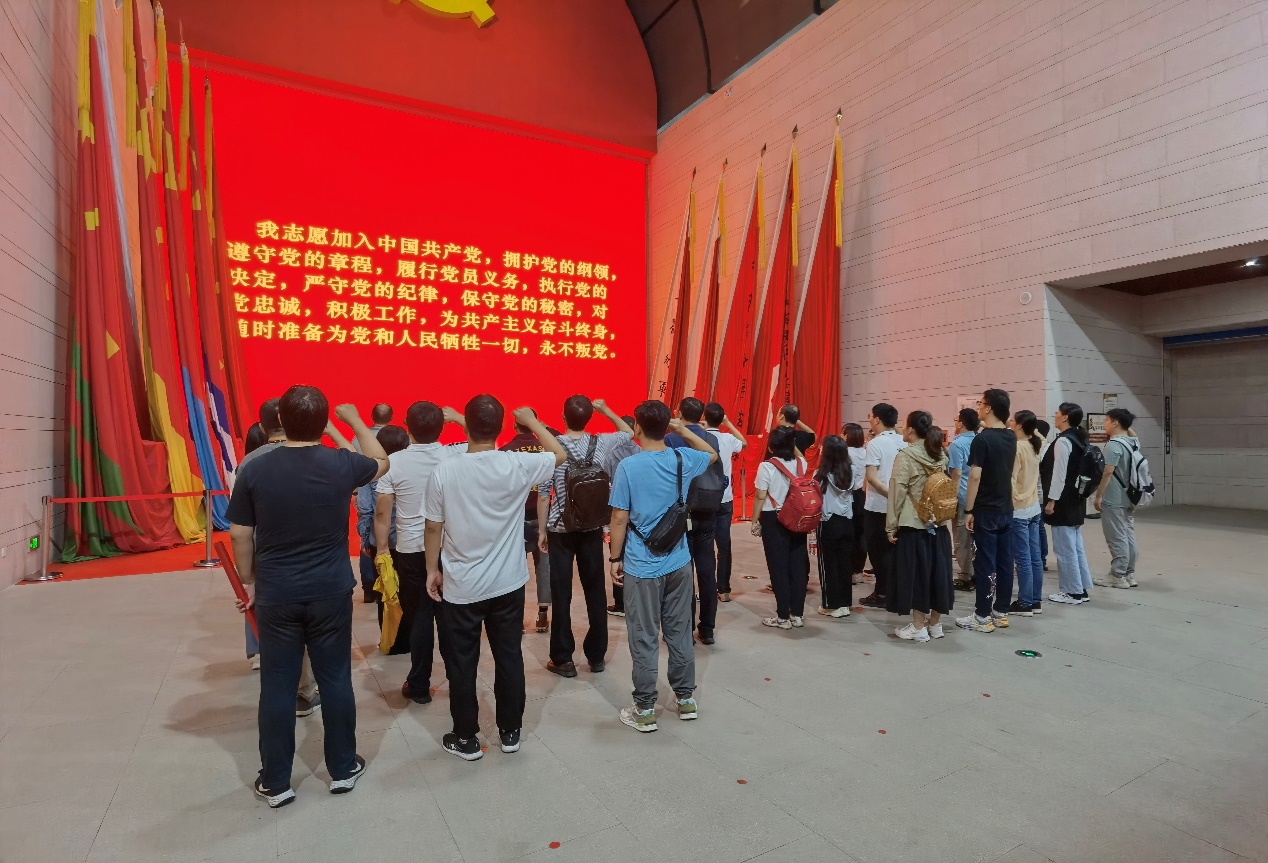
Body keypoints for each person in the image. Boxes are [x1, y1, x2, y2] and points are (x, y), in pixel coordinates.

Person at [228, 388, 388, 808]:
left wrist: (249, 581)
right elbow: (381, 460)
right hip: (330, 590)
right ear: (322, 422)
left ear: (279, 420)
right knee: (335, 679)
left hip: (277, 592)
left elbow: (240, 533)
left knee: (277, 685)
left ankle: (276, 781)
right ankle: (342, 769)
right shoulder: (341, 463)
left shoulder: (255, 468)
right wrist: (353, 422)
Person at [424, 397, 566, 760]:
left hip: (462, 585)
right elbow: (559, 454)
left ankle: (466, 737)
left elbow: (433, 527)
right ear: (502, 427)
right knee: (508, 655)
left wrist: (431, 569)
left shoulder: (445, 470)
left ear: (465, 426)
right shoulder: (516, 463)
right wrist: (532, 421)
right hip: (507, 582)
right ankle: (510, 731)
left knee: (461, 662)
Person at [607, 401, 716, 732]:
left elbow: (619, 516)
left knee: (644, 636)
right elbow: (711, 454)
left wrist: (615, 557)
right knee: (679, 632)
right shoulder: (683, 458)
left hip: (642, 564)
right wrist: (682, 430)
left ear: (637, 428)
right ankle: (685, 699)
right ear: (667, 426)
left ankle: (645, 708)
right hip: (679, 560)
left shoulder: (629, 466)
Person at [375, 402, 468, 704]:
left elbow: (382, 513)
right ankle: (459, 681)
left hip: (411, 550)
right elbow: (485, 441)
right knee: (450, 618)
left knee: (418, 618)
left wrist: (382, 549)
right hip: (449, 548)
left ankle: (418, 685)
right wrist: (460, 419)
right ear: (442, 427)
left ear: (406, 425)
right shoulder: (454, 454)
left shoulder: (394, 462)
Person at [541, 396, 634, 677]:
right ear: (590, 418)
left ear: (563, 417)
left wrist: (542, 530)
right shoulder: (602, 442)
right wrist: (606, 409)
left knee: (561, 594)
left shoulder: (553, 445)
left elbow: (544, 494)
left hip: (561, 530)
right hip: (592, 528)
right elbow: (628, 432)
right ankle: (596, 656)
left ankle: (563, 659)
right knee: (595, 592)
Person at [886, 411, 953, 641]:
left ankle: (918, 626)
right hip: (939, 523)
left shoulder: (906, 456)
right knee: (938, 574)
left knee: (917, 575)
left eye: (904, 425)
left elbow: (897, 493)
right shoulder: (940, 453)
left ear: (911, 430)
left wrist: (891, 526)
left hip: (914, 524)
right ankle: (935, 624)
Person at [956, 389, 1017, 634]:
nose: (979, 407)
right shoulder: (1011, 436)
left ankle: (982, 616)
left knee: (985, 563)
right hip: (1005, 507)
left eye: (981, 403)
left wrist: (969, 509)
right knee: (1004, 562)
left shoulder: (982, 439)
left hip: (986, 510)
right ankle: (1001, 612)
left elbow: (975, 476)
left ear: (989, 408)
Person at [664, 398, 722, 644]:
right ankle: (707, 629)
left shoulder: (672, 438)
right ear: (702, 416)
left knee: (683, 571)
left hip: (682, 510)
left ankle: (684, 628)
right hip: (708, 507)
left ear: (679, 413)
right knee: (707, 570)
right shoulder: (712, 439)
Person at [500, 410, 563, 633]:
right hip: (542, 517)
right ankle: (543, 615)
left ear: (514, 426)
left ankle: (516, 619)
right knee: (545, 567)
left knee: (514, 570)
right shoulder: (548, 450)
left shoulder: (505, 452)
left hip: (516, 519)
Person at [751, 426, 811, 630]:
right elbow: (798, 455)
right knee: (798, 566)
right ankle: (797, 614)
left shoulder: (766, 466)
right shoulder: (802, 463)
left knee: (778, 567)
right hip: (798, 517)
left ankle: (783, 616)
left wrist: (754, 521)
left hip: (774, 518)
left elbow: (760, 496)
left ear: (770, 447)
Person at [1041, 403, 1094, 605]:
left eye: (1057, 413)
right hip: (1076, 499)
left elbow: (1059, 475)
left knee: (1064, 549)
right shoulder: (1079, 438)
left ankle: (1072, 592)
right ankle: (1081, 588)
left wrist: (1051, 500)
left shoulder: (1063, 441)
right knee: (1075, 547)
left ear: (1065, 417)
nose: (1055, 415)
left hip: (1062, 501)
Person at [356, 425, 408, 616]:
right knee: (410, 591)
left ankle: (389, 633)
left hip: (381, 541)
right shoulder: (411, 469)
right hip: (410, 539)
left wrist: (365, 538)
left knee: (385, 592)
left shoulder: (373, 471)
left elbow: (365, 508)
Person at [859, 404, 906, 607]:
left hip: (878, 506)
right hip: (902, 505)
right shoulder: (904, 440)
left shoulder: (875, 444)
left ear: (877, 419)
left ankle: (882, 593)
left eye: (870, 416)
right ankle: (896, 591)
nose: (869, 419)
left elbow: (871, 478)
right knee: (895, 551)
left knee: (878, 552)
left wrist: (891, 495)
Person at [703, 403, 747, 602]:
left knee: (705, 546)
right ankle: (724, 589)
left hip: (705, 499)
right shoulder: (728, 438)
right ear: (721, 419)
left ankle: (707, 588)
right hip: (725, 498)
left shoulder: (700, 438)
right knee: (724, 545)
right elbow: (744, 443)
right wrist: (728, 423)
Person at [1094, 408, 1141, 590]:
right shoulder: (1132, 442)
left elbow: (1108, 471)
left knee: (1116, 537)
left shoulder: (1113, 445)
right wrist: (1126, 422)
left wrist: (1099, 495)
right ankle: (1129, 573)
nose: (1104, 423)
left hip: (1114, 498)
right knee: (1128, 534)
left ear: (1115, 423)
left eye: (1107, 420)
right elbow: (1132, 432)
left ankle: (1117, 575)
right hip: (1130, 496)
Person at [1007, 410, 1045, 616]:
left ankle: (1025, 603)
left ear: (1020, 425)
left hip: (1019, 508)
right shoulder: (1035, 444)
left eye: (1013, 420)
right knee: (1035, 557)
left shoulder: (1018, 447)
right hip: (1034, 506)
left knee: (1022, 559)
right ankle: (1035, 600)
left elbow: (1011, 480)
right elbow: (1039, 435)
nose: (1010, 422)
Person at [604, 415, 642, 617]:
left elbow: (605, 483)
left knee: (616, 555)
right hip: (638, 512)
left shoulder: (610, 455)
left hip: (617, 510)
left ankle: (620, 603)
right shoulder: (640, 452)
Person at [813, 435, 854, 618]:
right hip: (847, 521)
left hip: (828, 522)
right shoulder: (851, 471)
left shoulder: (820, 474)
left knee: (828, 564)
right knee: (845, 564)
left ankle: (831, 605)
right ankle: (845, 604)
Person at [947, 407, 980, 591]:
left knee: (961, 538)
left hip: (962, 497)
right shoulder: (980, 440)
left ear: (960, 423)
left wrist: (951, 498)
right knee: (975, 538)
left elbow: (957, 474)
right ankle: (976, 572)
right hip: (978, 496)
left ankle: (965, 576)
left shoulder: (957, 444)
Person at [843, 423, 868, 582]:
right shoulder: (866, 452)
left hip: (848, 495)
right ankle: (857, 571)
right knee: (861, 533)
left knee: (848, 533)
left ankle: (847, 569)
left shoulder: (844, 452)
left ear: (848, 435)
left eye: (843, 433)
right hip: (863, 495)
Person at [1035, 418, 1052, 571]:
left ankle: (1040, 558)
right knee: (1040, 528)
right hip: (1042, 495)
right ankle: (1042, 558)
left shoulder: (1040, 448)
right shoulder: (1048, 447)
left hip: (1037, 495)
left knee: (1037, 528)